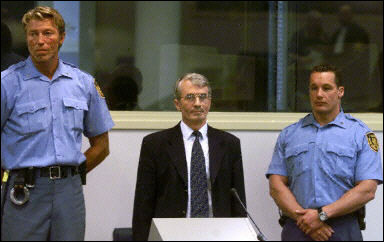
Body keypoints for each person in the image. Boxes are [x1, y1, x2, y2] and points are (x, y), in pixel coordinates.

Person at [1, 6, 114, 241]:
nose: (40, 41)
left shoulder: (83, 83)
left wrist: (72, 174)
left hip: (68, 195)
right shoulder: (8, 83)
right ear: (27, 38)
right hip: (24, 192)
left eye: (47, 33)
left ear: (61, 38)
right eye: (33, 34)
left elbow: (102, 146)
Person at [266, 64, 383, 241]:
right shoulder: (290, 134)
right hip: (299, 227)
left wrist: (321, 215)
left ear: (340, 91)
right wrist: (305, 220)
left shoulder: (360, 134)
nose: (319, 94)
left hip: (342, 228)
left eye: (326, 88)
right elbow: (276, 186)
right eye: (314, 88)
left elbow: (367, 189)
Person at [132, 73, 246, 241]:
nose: (198, 104)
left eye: (203, 97)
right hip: (171, 234)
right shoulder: (155, 145)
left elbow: (239, 203)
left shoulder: (229, 144)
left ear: (210, 102)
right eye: (190, 97)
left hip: (218, 234)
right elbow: (143, 204)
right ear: (177, 104)